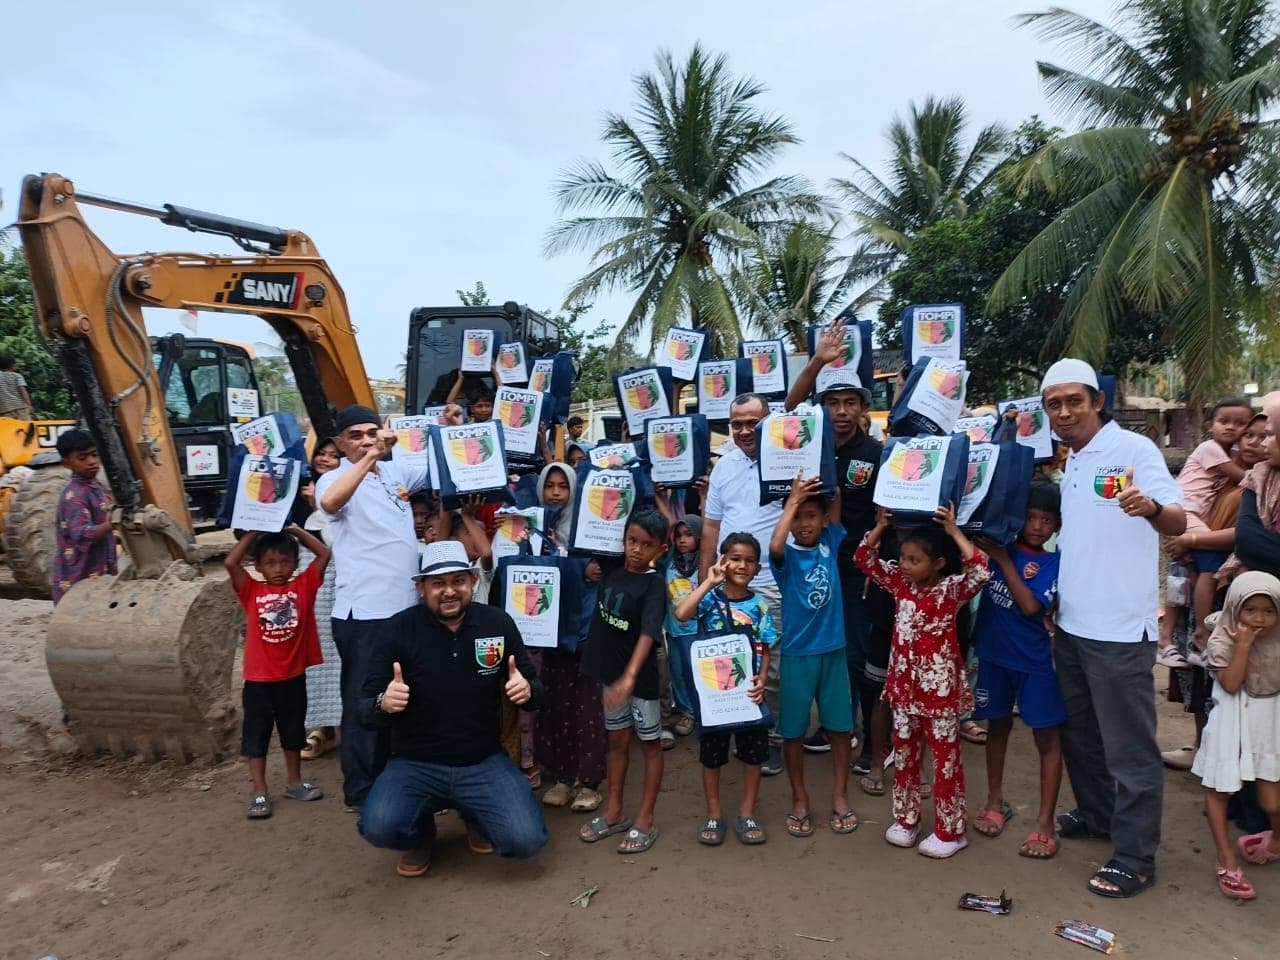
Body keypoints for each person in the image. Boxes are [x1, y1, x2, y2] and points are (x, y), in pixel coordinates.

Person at [1041, 358, 1185, 898]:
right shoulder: (1073, 461)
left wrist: (1148, 507)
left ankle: (1135, 855)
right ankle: (1100, 816)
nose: (1064, 412)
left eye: (1074, 400)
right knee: (1082, 736)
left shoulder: (1134, 450)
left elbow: (1178, 520)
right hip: (1075, 626)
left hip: (1121, 632)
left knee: (1130, 749)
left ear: (1097, 400)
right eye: (1054, 404)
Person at [357, 541, 548, 877]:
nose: (449, 591)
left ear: (473, 582)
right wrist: (382, 703)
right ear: (420, 587)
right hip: (414, 763)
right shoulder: (397, 630)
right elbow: (363, 708)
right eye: (437, 583)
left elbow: (537, 693)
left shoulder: (497, 624)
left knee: (525, 840)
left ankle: (474, 813)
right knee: (380, 826)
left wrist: (527, 690)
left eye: (458, 580)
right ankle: (421, 833)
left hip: (482, 759)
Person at [855, 504, 990, 858]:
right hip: (903, 690)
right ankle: (906, 819)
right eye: (903, 558)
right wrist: (880, 525)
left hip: (940, 693)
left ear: (939, 564)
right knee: (904, 756)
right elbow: (863, 558)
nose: (905, 565)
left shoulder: (951, 590)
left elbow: (980, 571)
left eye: (915, 560)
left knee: (945, 762)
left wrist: (953, 530)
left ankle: (951, 830)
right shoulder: (900, 584)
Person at [317, 405, 432, 814]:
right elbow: (329, 503)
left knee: (402, 700)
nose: (367, 440)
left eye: (372, 432)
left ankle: (398, 780)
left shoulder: (396, 473)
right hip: (364, 615)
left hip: (406, 610)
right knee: (364, 703)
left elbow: (441, 458)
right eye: (356, 435)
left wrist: (452, 427)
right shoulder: (334, 477)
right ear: (340, 443)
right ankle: (361, 791)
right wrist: (370, 456)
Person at [786, 321, 883, 765]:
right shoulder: (809, 444)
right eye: (832, 402)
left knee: (861, 655)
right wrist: (818, 361)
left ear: (863, 407)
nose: (841, 411)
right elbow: (786, 410)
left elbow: (888, 511)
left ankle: (870, 740)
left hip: (859, 570)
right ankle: (834, 726)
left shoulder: (876, 454)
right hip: (813, 569)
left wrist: (875, 562)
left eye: (849, 402)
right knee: (828, 653)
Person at [971, 482, 1065, 859]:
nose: (1038, 526)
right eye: (1030, 517)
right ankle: (996, 801)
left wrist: (1005, 561)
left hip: (1034, 663)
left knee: (1047, 738)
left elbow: (1030, 607)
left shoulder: (1052, 561)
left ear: (1058, 524)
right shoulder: (995, 546)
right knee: (997, 729)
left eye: (1047, 520)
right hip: (993, 657)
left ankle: (1045, 822)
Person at [769, 476, 859, 839]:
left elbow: (833, 497)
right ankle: (800, 798)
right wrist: (792, 501)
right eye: (798, 517)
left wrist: (819, 471)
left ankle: (839, 796)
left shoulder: (830, 543)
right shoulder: (786, 557)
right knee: (792, 732)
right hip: (797, 656)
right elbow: (775, 543)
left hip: (833, 653)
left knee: (840, 729)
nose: (805, 524)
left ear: (823, 521)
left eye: (811, 516)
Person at [700, 392, 786, 774]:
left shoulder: (786, 460)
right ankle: (735, 725)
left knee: (772, 665)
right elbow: (711, 526)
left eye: (754, 422)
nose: (746, 430)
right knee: (728, 660)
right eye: (737, 423)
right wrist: (706, 577)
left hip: (773, 583)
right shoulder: (724, 467)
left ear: (769, 421)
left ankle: (772, 738)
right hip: (726, 586)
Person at [675, 532, 777, 845]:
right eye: (734, 558)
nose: (742, 565)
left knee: (753, 754)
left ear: (758, 569)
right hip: (714, 697)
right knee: (712, 756)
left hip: (746, 695)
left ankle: (747, 812)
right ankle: (714, 813)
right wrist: (708, 581)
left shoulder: (760, 605)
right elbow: (681, 614)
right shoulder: (709, 599)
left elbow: (765, 646)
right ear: (722, 561)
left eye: (749, 561)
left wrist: (762, 679)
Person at [578, 508, 670, 854]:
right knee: (616, 743)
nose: (636, 549)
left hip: (639, 681)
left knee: (650, 745)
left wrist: (630, 677)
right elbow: (598, 511)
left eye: (646, 545)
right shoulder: (611, 567)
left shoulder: (654, 584)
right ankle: (614, 812)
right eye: (631, 540)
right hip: (610, 678)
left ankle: (645, 819)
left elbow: (649, 632)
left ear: (661, 549)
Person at [225, 526, 330, 819]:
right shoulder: (251, 591)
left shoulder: (304, 586)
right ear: (257, 566)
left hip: (293, 679)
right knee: (255, 737)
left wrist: (295, 530)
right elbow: (231, 563)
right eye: (270, 563)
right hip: (258, 682)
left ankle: (294, 782)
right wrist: (254, 533)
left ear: (296, 564)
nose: (279, 568)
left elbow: (324, 553)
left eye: (285, 562)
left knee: (293, 734)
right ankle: (259, 790)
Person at [1191, 572, 1280, 900]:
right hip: (1231, 723)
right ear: (1235, 608)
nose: (1259, 618)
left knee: (1272, 798)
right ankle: (1226, 857)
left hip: (1269, 726)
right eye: (1250, 609)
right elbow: (1229, 684)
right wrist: (1243, 645)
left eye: (1268, 611)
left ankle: (1275, 839)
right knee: (1221, 789)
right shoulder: (1223, 639)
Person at [534, 462, 608, 813]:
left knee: (587, 704)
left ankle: (589, 780)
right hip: (548, 627)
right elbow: (527, 568)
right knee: (555, 702)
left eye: (564, 486)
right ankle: (563, 776)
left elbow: (602, 565)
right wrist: (577, 567)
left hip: (584, 626)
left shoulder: (591, 522)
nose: (556, 493)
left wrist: (580, 566)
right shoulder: (532, 525)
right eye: (550, 486)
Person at [1164, 397, 1253, 660]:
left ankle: (1174, 638)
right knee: (1209, 564)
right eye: (1223, 422)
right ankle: (1199, 634)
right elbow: (1245, 479)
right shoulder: (1210, 449)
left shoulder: (1229, 455)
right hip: (1185, 512)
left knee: (1188, 570)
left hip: (1191, 515)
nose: (1230, 428)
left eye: (1240, 424)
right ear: (1209, 425)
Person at [300, 437, 342, 761]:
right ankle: (322, 729)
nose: (326, 459)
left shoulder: (347, 493)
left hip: (343, 584)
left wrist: (320, 506)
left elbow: (336, 543)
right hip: (310, 588)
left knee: (344, 658)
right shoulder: (297, 492)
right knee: (318, 660)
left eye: (333, 455)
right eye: (322, 454)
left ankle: (346, 726)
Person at [50, 428, 117, 603]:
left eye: (95, 455)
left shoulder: (96, 487)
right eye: (83, 457)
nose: (92, 461)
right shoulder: (75, 496)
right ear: (66, 463)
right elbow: (82, 534)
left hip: (98, 572)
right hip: (79, 577)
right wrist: (113, 523)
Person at [0, 353, 33, 420]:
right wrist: (29, 405)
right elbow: (23, 390)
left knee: (9, 429)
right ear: (13, 365)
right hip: (20, 408)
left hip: (5, 410)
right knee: (26, 427)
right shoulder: (17, 376)